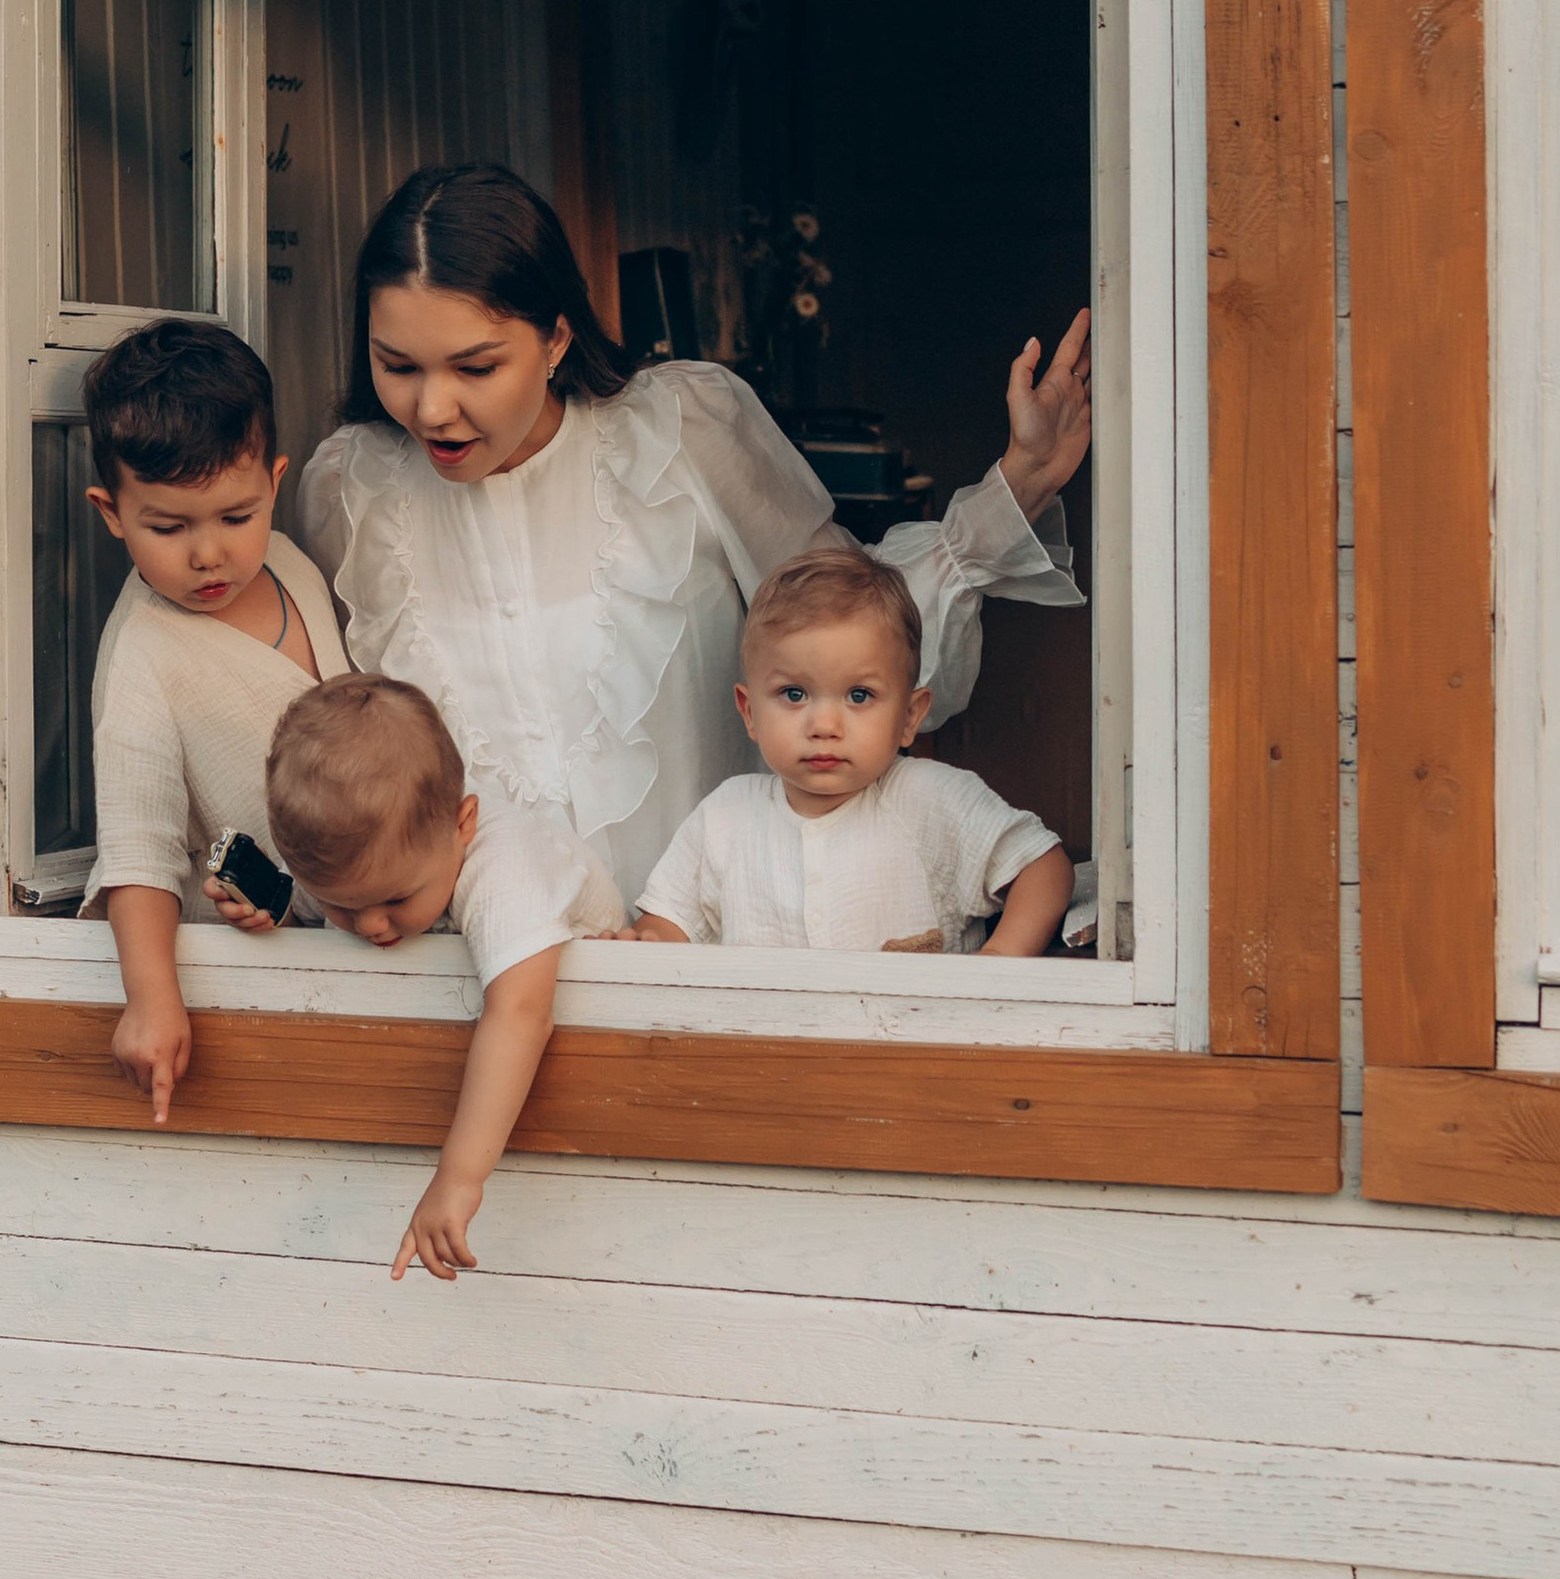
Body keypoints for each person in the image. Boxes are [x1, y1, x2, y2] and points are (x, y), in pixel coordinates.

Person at [295, 163, 1088, 914]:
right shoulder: (349, 490)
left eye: (475, 368)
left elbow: (857, 632)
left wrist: (1016, 486)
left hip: (718, 958)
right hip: (477, 972)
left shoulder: (683, 430)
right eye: (397, 364)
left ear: (557, 339)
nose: (432, 409)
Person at [77, 321, 349, 1124]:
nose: (209, 555)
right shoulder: (144, 658)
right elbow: (138, 848)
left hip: (373, 922)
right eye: (168, 527)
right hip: (272, 972)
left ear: (274, 482)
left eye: (236, 516)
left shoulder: (291, 564)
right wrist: (152, 1000)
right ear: (111, 512)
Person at [265, 676, 624, 1282]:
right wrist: (272, 908)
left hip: (595, 1079)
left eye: (396, 899)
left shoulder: (504, 862)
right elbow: (305, 908)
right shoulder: (378, 862)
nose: (370, 925)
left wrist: (459, 1177)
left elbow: (520, 1014)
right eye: (342, 907)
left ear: (463, 824)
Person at [632, 545, 1072, 956]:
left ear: (908, 717)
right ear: (750, 712)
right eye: (794, 694)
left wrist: (999, 961)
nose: (824, 726)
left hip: (911, 1034)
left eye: (859, 696)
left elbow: (1043, 869)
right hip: (768, 1038)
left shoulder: (929, 798)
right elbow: (669, 925)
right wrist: (639, 946)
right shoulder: (725, 817)